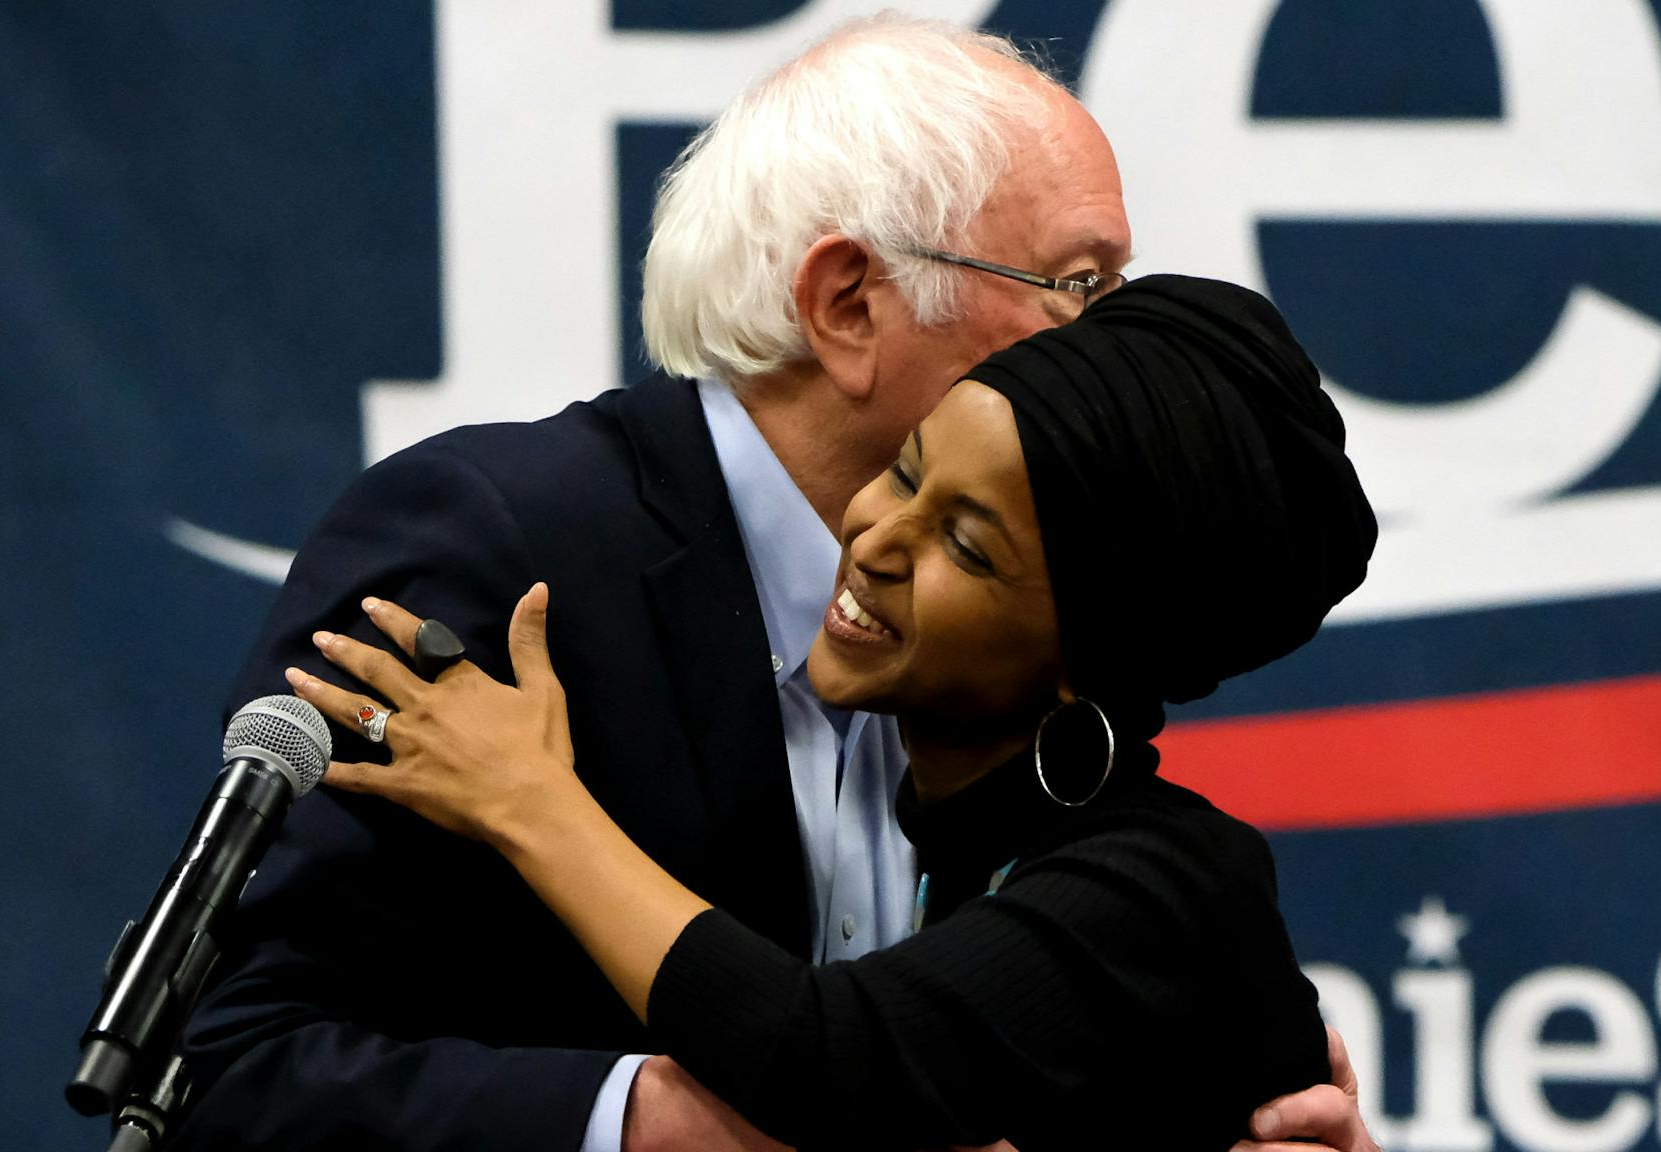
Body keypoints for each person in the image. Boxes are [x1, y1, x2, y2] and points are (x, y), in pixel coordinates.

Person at [173, 16, 1381, 1152]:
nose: (1116, 347)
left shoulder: (1058, 772)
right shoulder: (500, 548)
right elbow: (219, 1065)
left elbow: (872, 1056)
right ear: (850, 302)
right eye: (1078, 286)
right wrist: (650, 1124)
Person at [283, 274, 1376, 1151]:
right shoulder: (947, 844)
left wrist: (528, 801)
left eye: (964, 545)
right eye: (904, 473)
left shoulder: (1161, 881)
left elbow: (829, 1060)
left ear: (1077, 660)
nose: (876, 539)